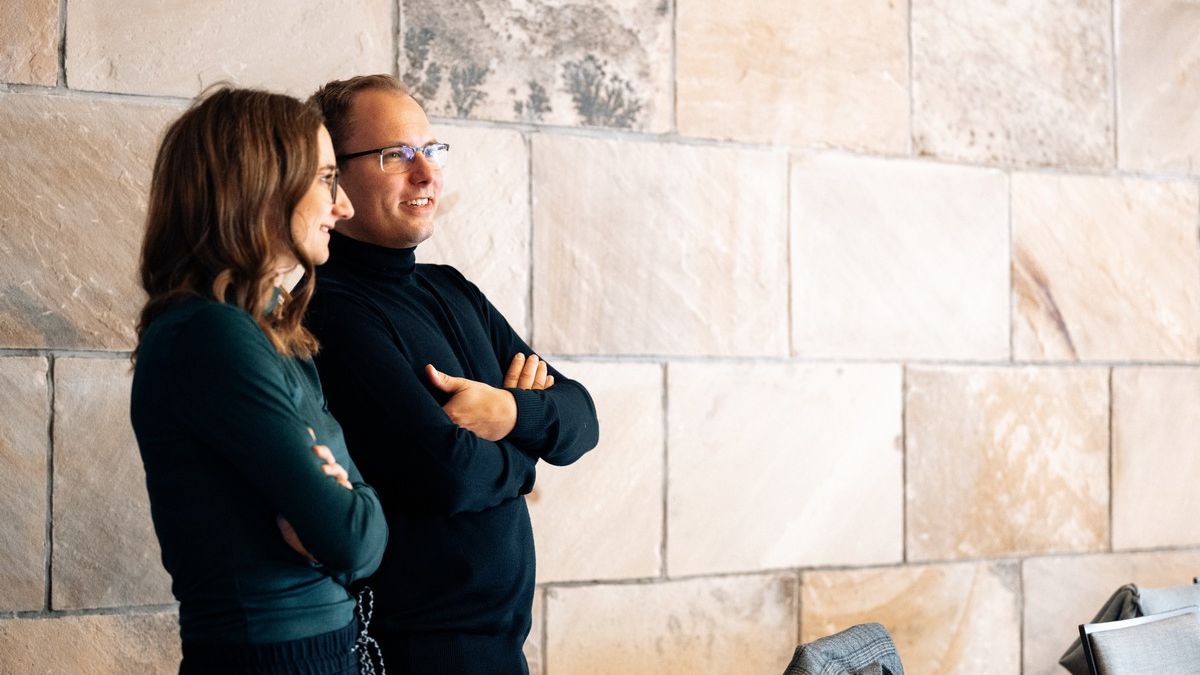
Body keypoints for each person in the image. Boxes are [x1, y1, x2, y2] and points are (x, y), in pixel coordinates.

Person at [306, 74, 600, 674]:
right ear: (334, 176)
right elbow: (450, 475)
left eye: (432, 150)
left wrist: (509, 414)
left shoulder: (452, 290)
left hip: (500, 647)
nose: (426, 173)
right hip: (414, 652)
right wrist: (528, 453)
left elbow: (582, 418)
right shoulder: (331, 310)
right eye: (397, 155)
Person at [130, 86, 388, 675]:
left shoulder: (270, 334)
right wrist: (347, 499)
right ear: (262, 186)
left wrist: (350, 499)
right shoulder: (209, 336)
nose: (343, 206)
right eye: (327, 178)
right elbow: (352, 538)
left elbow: (359, 524)